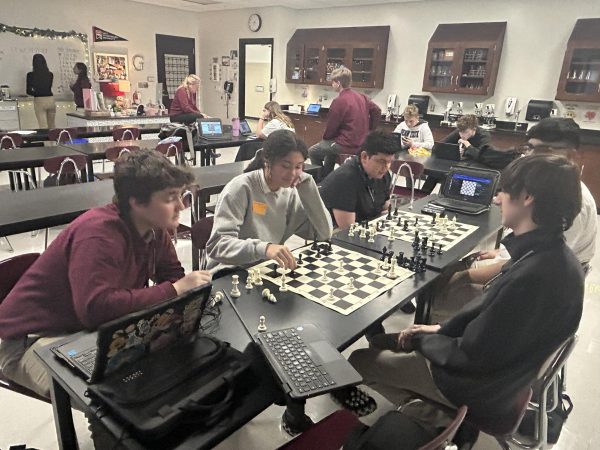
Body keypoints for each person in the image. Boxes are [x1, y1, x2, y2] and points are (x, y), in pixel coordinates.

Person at [340, 154, 584, 439]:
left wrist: (424, 340)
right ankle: (428, 408)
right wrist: (439, 329)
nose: (496, 199)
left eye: (504, 191)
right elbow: (492, 325)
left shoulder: (535, 276)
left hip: (479, 387)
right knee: (386, 341)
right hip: (504, 378)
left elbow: (473, 355)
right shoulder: (553, 257)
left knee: (359, 359)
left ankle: (434, 416)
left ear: (528, 197)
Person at [0, 150, 212, 398]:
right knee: (114, 398)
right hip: (32, 342)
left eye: (180, 195)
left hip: (87, 328)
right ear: (136, 202)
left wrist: (177, 292)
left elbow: (173, 275)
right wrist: (174, 290)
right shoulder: (98, 234)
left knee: (166, 365)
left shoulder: (155, 229)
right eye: (170, 197)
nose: (181, 206)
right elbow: (95, 308)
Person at [431, 117, 597, 322]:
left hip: (534, 295)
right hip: (529, 274)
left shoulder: (570, 205)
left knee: (447, 281)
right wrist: (500, 251)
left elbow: (532, 266)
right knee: (453, 266)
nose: (531, 157)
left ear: (572, 155)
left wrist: (463, 278)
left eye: (543, 150)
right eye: (530, 148)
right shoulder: (551, 190)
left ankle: (436, 332)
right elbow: (534, 248)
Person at [206, 129, 332, 274]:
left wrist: (309, 186)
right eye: (285, 166)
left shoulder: (290, 193)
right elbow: (217, 245)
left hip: (264, 270)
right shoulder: (240, 188)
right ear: (267, 161)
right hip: (229, 273)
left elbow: (323, 234)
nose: (292, 173)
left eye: (298, 167)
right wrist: (265, 248)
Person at [309, 67, 381, 181]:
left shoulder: (339, 101)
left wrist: (326, 139)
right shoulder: (362, 97)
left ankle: (320, 181)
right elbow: (377, 110)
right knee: (330, 153)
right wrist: (370, 130)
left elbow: (331, 127)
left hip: (346, 145)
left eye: (332, 82)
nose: (332, 84)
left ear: (338, 83)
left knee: (312, 151)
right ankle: (328, 180)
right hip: (361, 143)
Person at [319, 130, 395, 229]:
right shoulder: (345, 179)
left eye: (390, 162)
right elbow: (348, 228)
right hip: (336, 234)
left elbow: (386, 209)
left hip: (366, 226)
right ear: (364, 157)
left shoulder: (382, 174)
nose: (386, 167)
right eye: (381, 161)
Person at [420, 114, 494, 193]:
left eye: (465, 132)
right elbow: (441, 145)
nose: (462, 135)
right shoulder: (460, 131)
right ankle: (422, 195)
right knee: (435, 173)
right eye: (460, 132)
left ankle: (448, 197)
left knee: (452, 177)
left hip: (475, 168)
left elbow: (483, 156)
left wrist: (468, 145)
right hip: (460, 164)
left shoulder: (484, 136)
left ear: (474, 129)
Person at [26, 54, 56, 129]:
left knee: (43, 125)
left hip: (39, 100)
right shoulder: (50, 74)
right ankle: (55, 140)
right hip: (51, 99)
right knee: (52, 124)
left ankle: (46, 141)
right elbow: (49, 87)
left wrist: (35, 92)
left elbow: (28, 91)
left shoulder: (30, 75)